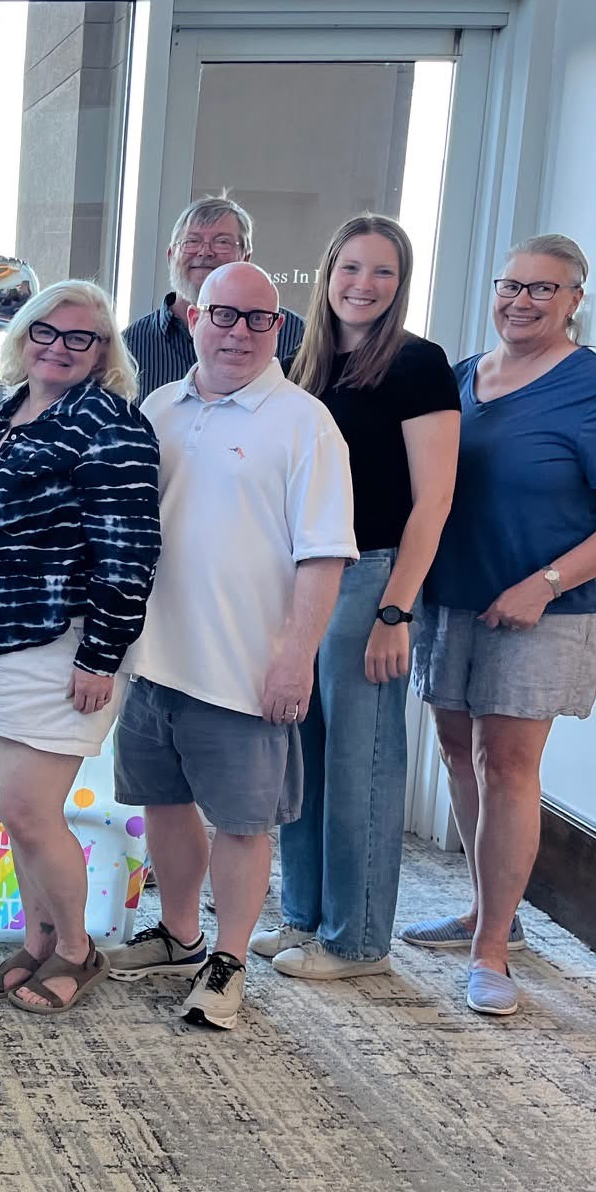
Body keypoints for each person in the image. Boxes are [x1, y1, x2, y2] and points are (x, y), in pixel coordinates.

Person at [403, 234, 596, 1016]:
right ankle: (487, 910)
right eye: (510, 285)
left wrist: (544, 585)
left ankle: (491, 952)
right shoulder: (462, 377)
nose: (522, 300)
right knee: (457, 751)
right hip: (452, 597)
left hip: (543, 609)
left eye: (543, 289)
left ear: (575, 300)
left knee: (508, 764)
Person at [106, 261, 357, 1030]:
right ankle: (179, 935)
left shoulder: (305, 423)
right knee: (164, 803)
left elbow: (324, 554)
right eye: (223, 315)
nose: (239, 332)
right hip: (154, 660)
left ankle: (230, 960)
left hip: (246, 668)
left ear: (278, 328)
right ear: (193, 318)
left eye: (258, 319)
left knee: (246, 823)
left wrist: (296, 657)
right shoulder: (159, 408)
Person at [0, 280, 162, 1016]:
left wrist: (102, 654)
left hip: (56, 638)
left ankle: (77, 950)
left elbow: (129, 549)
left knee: (31, 810)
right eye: (45, 332)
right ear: (23, 336)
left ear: (102, 351)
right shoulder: (0, 417)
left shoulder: (110, 423)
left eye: (79, 337)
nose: (58, 347)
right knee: (16, 811)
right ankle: (37, 941)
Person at [254, 216, 459, 980]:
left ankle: (358, 941)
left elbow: (433, 501)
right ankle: (305, 916)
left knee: (360, 763)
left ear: (400, 286)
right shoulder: (299, 365)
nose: (363, 285)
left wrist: (395, 610)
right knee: (299, 756)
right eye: (350, 268)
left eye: (383, 272)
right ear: (327, 272)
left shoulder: (417, 364)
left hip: (373, 575)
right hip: (303, 576)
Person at [124, 193, 307, 401]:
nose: (205, 252)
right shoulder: (128, 346)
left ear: (246, 257)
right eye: (191, 241)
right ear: (170, 256)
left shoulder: (298, 338)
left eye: (222, 242)